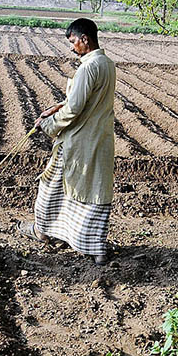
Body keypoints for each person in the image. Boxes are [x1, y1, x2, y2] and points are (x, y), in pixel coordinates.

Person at [17, 18, 116, 265]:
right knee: (94, 191)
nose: (72, 48)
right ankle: (96, 249)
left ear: (85, 39)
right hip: (99, 139)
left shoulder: (87, 68)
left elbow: (74, 109)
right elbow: (83, 100)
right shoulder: (107, 64)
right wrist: (57, 107)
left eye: (73, 42)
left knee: (50, 186)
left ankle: (42, 231)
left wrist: (48, 124)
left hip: (78, 142)